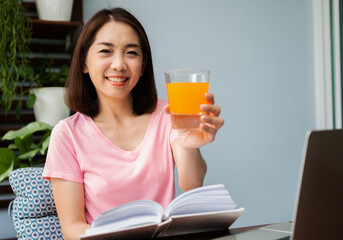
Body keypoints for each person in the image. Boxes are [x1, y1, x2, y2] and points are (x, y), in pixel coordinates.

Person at [42, 7, 224, 240]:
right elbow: (72, 230)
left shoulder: (168, 114)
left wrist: (190, 145)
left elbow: (192, 183)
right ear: (84, 63)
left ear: (143, 65)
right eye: (106, 51)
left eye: (131, 53)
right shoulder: (67, 134)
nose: (119, 64)